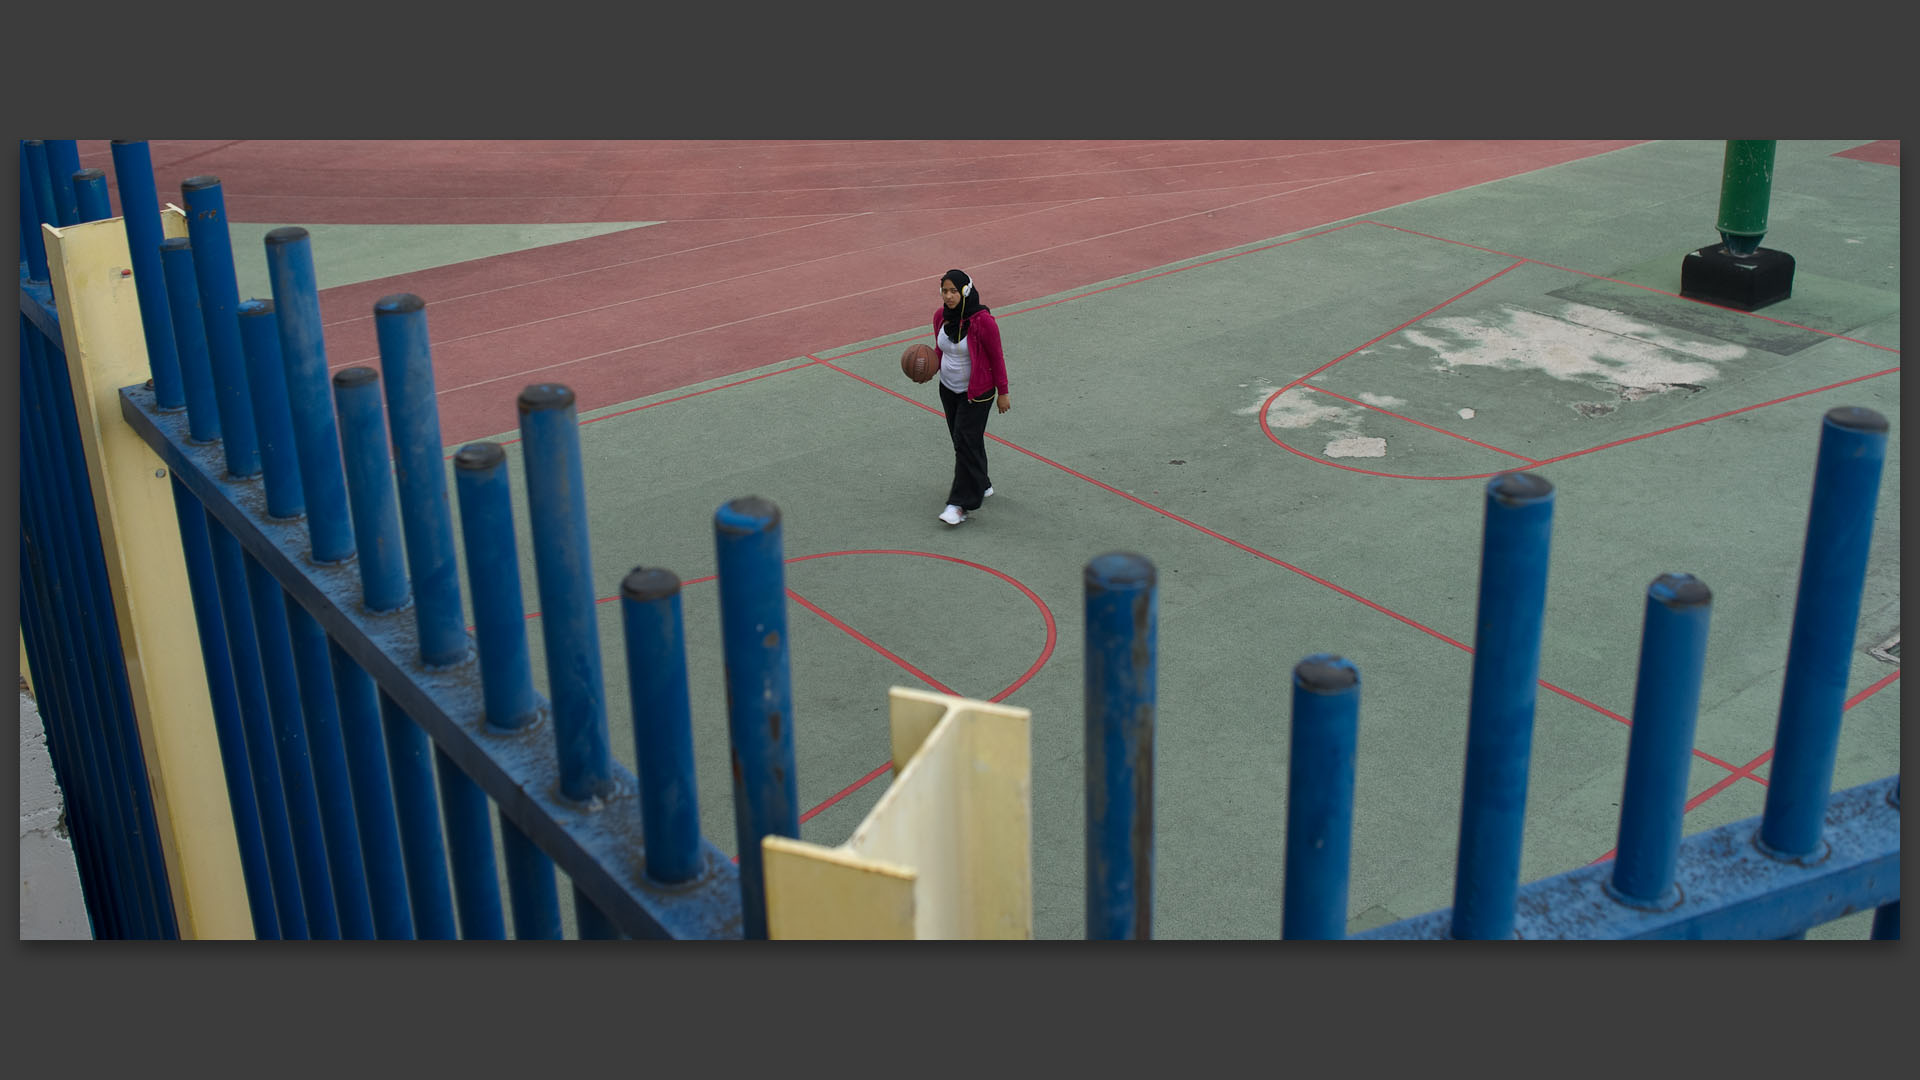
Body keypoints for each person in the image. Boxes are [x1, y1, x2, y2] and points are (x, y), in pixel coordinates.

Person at [928, 269, 1010, 526]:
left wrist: (1003, 392)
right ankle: (982, 482)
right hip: (948, 389)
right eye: (945, 291)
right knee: (962, 439)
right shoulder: (941, 317)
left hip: (977, 393)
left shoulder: (983, 321)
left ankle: (959, 504)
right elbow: (942, 350)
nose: (949, 296)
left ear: (965, 291)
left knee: (965, 440)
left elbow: (997, 357)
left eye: (954, 291)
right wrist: (929, 366)